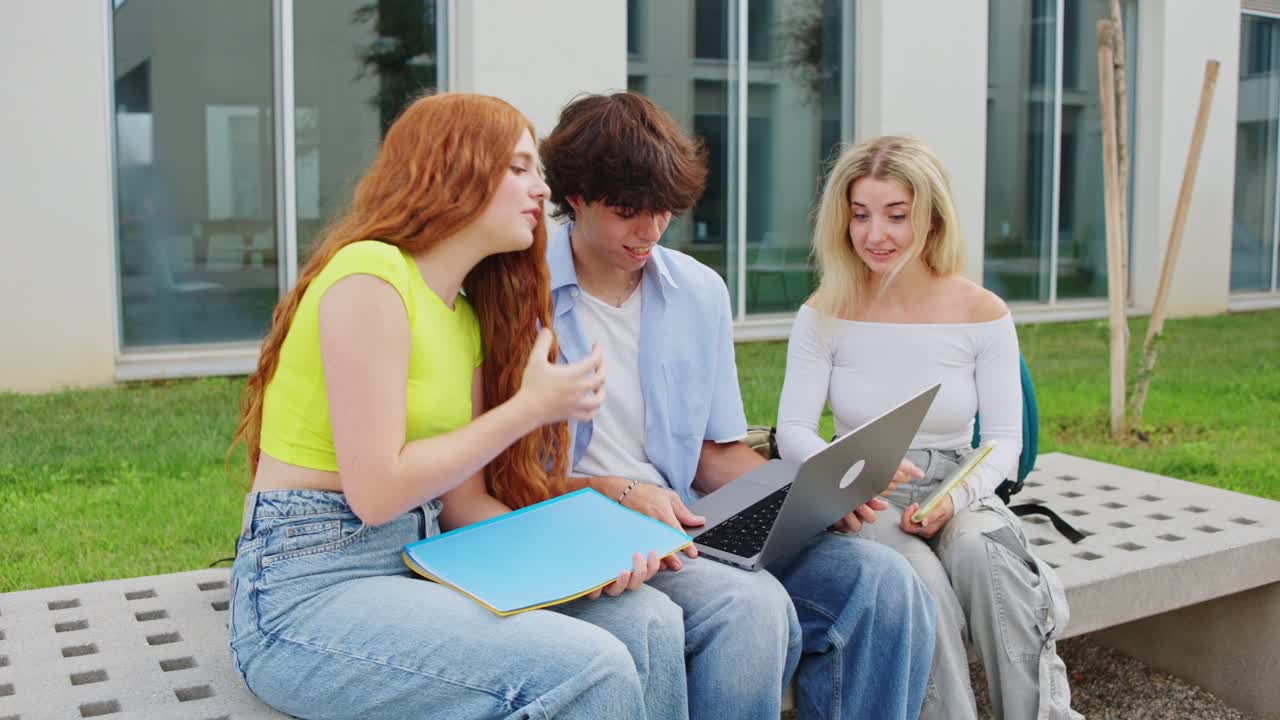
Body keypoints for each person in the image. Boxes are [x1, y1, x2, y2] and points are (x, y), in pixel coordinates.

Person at [225, 93, 690, 720]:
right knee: (591, 668)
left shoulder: (464, 317)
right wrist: (526, 409)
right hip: (305, 587)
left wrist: (594, 555)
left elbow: (464, 502)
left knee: (650, 621)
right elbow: (376, 492)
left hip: (421, 557)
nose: (541, 189)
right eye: (520, 167)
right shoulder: (370, 274)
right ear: (455, 168)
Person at [539, 91, 937, 720]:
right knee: (750, 609)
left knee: (886, 583)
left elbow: (713, 456)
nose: (650, 231)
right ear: (577, 196)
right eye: (628, 213)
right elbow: (497, 479)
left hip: (690, 522)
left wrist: (812, 492)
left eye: (665, 211)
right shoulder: (518, 292)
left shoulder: (697, 291)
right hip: (587, 527)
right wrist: (614, 492)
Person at [776, 134, 1080, 720]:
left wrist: (956, 496)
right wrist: (853, 474)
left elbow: (1004, 445)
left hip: (959, 483)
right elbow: (792, 430)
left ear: (932, 217)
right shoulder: (823, 312)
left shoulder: (982, 312)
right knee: (917, 582)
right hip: (867, 494)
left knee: (983, 554)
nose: (874, 234)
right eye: (860, 215)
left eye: (896, 215)